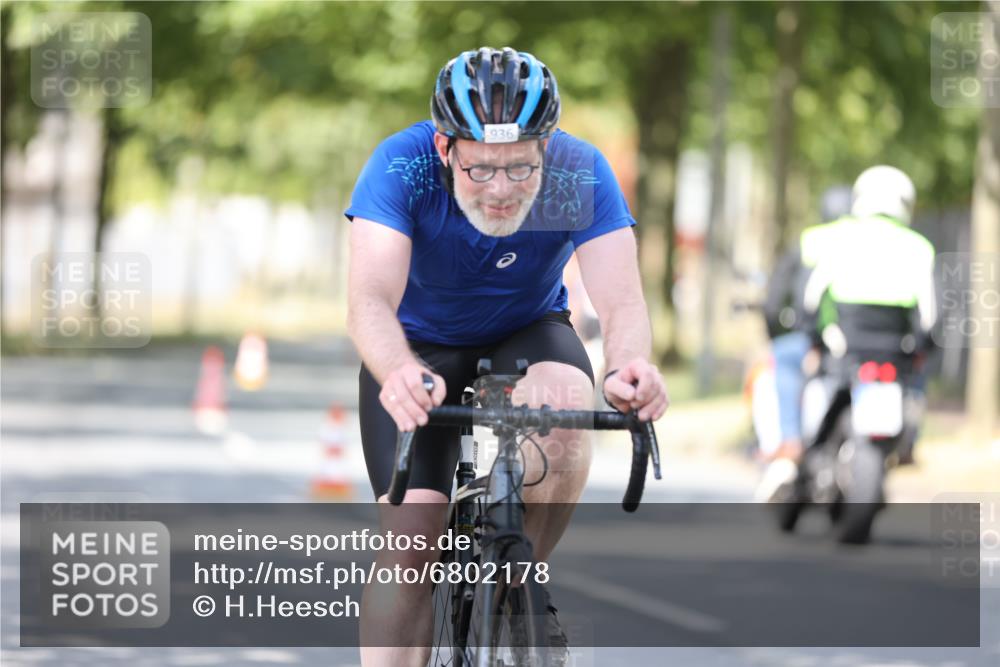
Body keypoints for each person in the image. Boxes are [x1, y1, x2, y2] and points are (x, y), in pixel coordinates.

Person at [344, 47, 668, 667]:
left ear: (545, 148)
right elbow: (368, 303)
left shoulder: (578, 173)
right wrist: (398, 370)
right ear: (446, 149)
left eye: (520, 169)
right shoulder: (402, 166)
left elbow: (623, 304)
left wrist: (630, 368)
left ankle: (520, 583)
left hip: (527, 328)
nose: (500, 190)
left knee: (568, 411)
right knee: (412, 545)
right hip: (417, 348)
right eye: (480, 170)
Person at [803, 166, 937, 461]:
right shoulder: (919, 247)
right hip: (895, 351)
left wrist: (816, 336)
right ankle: (909, 447)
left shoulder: (836, 237)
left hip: (845, 347)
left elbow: (811, 298)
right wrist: (921, 346)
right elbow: (929, 315)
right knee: (916, 389)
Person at [761, 185, 852, 461]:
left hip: (811, 337)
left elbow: (775, 299)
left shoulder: (808, 241)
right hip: (861, 342)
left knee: (785, 360)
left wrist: (774, 333)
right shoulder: (868, 243)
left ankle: (790, 443)